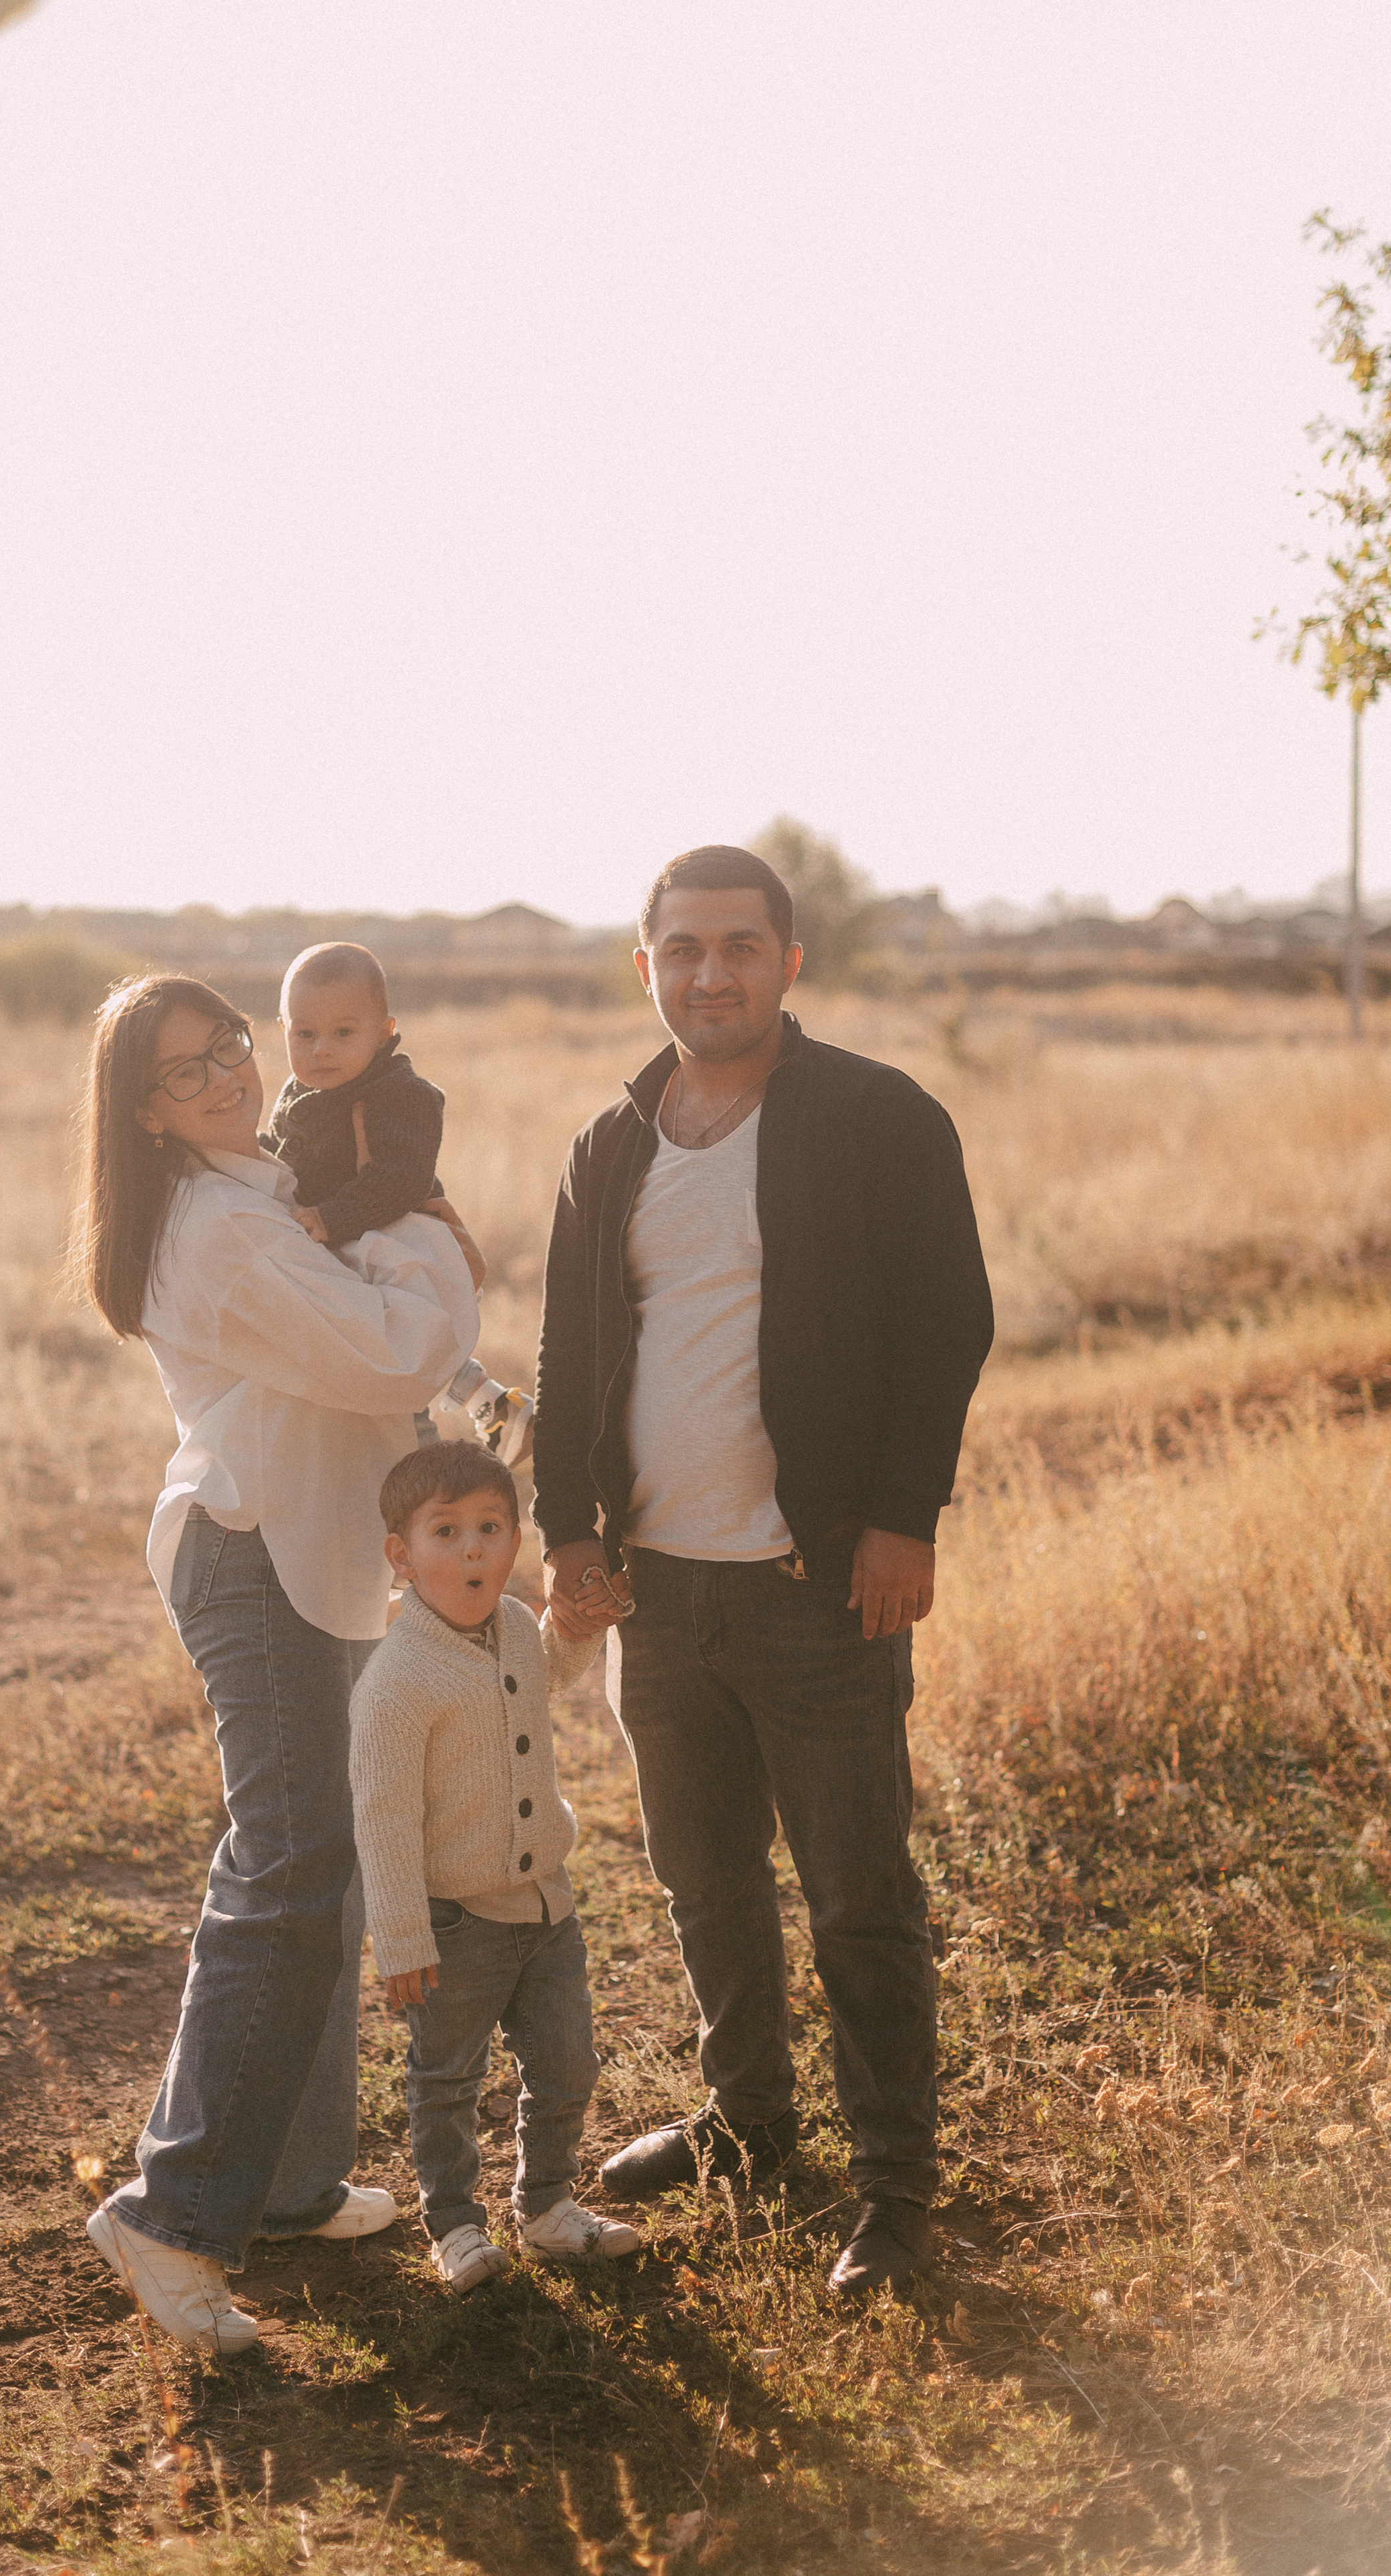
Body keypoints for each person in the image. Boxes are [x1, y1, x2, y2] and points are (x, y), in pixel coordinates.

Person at [533, 847, 994, 2296]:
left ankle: (894, 2190)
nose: (710, 973)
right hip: (657, 1596)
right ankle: (746, 2125)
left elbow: (945, 1325)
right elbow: (566, 1356)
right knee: (702, 1883)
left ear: (789, 962)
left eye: (739, 946)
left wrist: (901, 1516)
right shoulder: (607, 1142)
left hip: (815, 1585)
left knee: (857, 1892)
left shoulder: (873, 1117)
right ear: (645, 967)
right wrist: (565, 1533)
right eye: (682, 949)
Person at [71, 973, 482, 2354]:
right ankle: (174, 2213)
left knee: (330, 1862)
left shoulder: (258, 1188)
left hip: (301, 1545)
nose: (226, 1078)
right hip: (252, 1553)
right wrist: (425, 1232)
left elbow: (369, 1342)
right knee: (293, 1858)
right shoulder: (220, 1226)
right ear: (140, 1110)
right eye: (184, 1073)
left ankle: (293, 2185)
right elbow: (391, 1353)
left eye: (229, 1049)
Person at [349, 1443, 640, 2291]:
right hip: (454, 1922)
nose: (473, 1548)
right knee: (445, 2078)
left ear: (516, 1541)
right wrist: (401, 1938)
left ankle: (546, 2206)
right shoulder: (395, 1684)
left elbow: (542, 1675)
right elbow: (384, 1817)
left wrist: (574, 1631)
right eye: (447, 1532)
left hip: (546, 1907)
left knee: (567, 2061)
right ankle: (454, 2224)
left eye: (490, 1528)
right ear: (401, 1556)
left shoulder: (514, 1624)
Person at [266, 941, 534, 1463]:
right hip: (351, 1237)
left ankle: (491, 1407)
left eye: (344, 1033)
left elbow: (400, 1178)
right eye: (305, 1034)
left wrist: (330, 1217)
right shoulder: (299, 1094)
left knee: (410, 1335)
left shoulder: (397, 1093)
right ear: (284, 1031)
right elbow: (282, 1156)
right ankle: (493, 1407)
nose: (322, 1049)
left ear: (384, 1032)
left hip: (399, 1229)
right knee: (391, 1336)